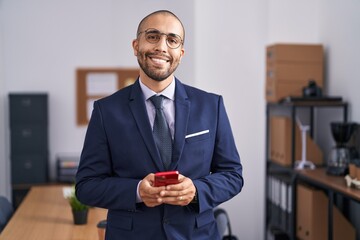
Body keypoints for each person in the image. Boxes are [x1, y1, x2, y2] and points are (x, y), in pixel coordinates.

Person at [75, 9, 244, 240]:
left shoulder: (211, 105)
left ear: (181, 53)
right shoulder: (106, 111)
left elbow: (233, 175)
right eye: (152, 36)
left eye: (172, 40)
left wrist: (196, 190)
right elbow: (86, 186)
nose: (162, 47)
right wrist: (136, 192)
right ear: (136, 46)